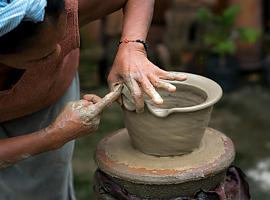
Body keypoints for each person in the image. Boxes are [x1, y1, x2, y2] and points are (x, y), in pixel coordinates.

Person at [0, 0, 186, 199]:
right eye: (40, 57)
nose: (57, 53)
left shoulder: (50, 6)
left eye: (61, 38)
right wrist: (52, 136)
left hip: (46, 92)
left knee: (44, 188)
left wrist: (132, 46)